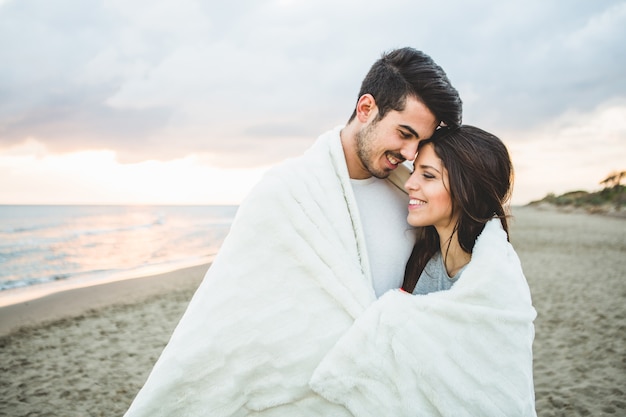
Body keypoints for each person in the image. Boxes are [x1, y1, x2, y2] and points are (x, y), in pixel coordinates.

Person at [124, 47, 462, 416]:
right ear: (366, 109)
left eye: (420, 142)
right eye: (404, 133)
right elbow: (221, 320)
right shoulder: (284, 192)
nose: (411, 153)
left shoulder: (411, 198)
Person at [310, 126, 538, 416]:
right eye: (414, 171)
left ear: (468, 188)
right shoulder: (423, 258)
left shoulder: (494, 282)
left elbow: (495, 391)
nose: (409, 184)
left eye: (428, 176)